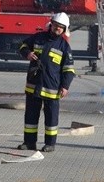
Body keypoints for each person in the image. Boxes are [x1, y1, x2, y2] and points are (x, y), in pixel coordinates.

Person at [17, 12, 74, 153]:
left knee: (51, 118)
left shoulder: (64, 47)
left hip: (52, 88)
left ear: (64, 29)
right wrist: (27, 54)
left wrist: (65, 86)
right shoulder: (38, 38)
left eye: (61, 27)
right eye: (56, 25)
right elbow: (22, 45)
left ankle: (50, 144)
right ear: (51, 24)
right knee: (30, 116)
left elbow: (69, 70)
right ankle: (29, 143)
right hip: (34, 86)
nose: (57, 28)